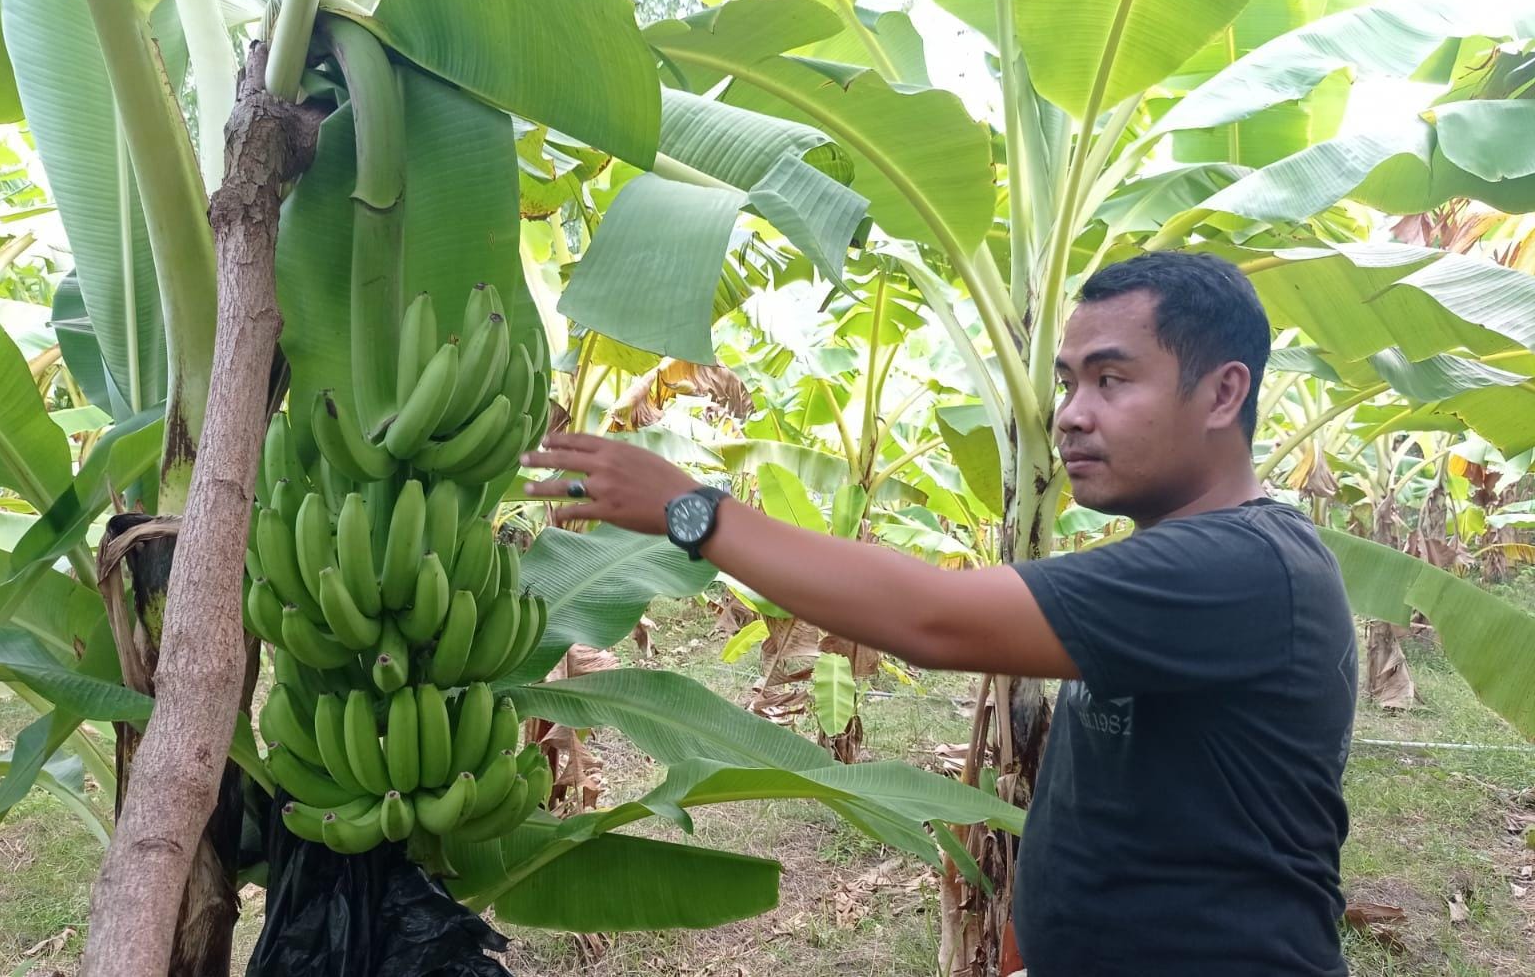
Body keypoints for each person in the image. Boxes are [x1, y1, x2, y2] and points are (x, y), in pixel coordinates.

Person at [520, 250, 1358, 976]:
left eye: (1112, 379)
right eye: (1067, 382)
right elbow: (1098, 802)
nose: (1070, 413)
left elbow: (934, 618)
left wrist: (692, 512)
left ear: (1222, 394)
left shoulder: (1242, 569)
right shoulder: (1172, 563)